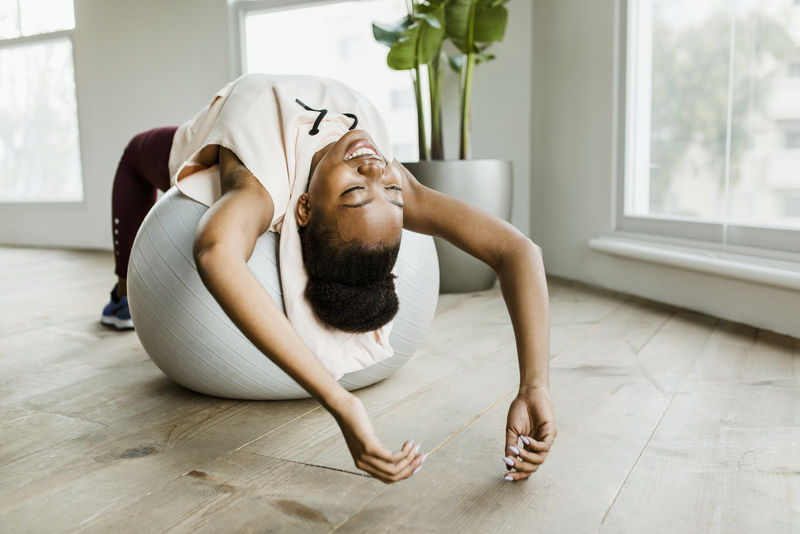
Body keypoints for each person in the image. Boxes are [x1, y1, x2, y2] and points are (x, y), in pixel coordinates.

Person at [102, 74, 555, 484]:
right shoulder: (387, 170)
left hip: (211, 130)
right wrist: (536, 387)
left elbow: (216, 251)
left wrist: (342, 404)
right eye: (392, 193)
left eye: (355, 191)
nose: (378, 170)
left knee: (132, 157)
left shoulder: (260, 184)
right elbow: (517, 250)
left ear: (302, 207)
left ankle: (124, 292)